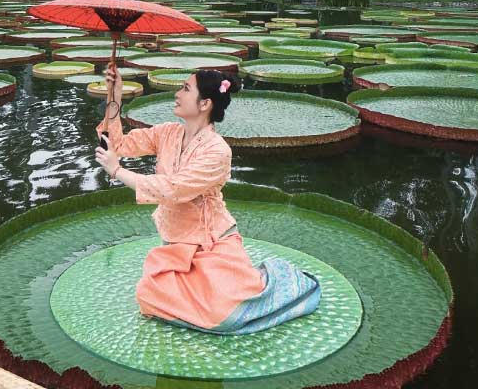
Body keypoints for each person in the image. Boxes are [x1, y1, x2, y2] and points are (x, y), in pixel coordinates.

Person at [95, 66, 321, 335]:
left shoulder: (217, 150)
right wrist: (115, 95)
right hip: (177, 245)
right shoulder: (167, 133)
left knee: (224, 315)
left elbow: (174, 189)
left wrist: (117, 171)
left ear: (205, 103)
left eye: (185, 89)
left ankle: (278, 280)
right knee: (148, 296)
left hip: (213, 243)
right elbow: (117, 145)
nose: (177, 94)